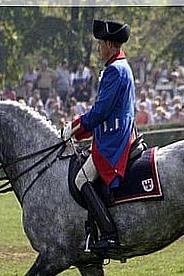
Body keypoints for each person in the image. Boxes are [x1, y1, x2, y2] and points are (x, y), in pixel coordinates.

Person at [62, 19, 135, 253]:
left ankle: (109, 234)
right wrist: (81, 130)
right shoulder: (121, 66)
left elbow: (102, 111)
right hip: (116, 130)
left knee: (81, 179)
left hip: (114, 138)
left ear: (111, 45)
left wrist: (75, 126)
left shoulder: (114, 70)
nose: (98, 48)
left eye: (100, 43)